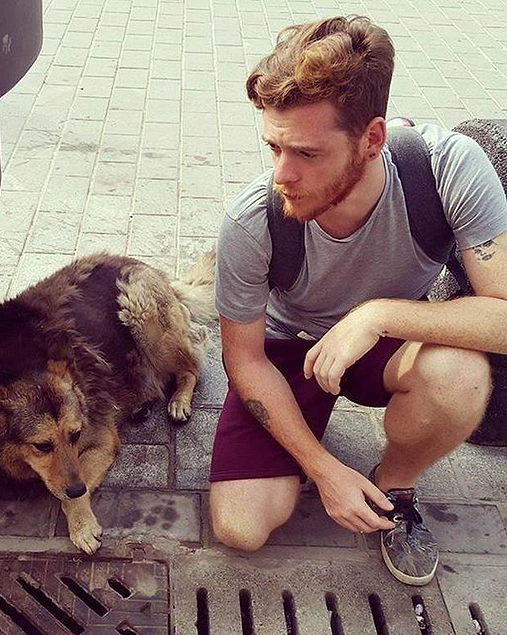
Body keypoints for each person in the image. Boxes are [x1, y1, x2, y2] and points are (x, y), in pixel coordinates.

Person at [210, 15, 507, 586]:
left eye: (306, 154)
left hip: (386, 344)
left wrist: (378, 315)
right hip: (289, 348)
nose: (281, 174)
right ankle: (326, 457)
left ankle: (395, 486)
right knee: (242, 528)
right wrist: (323, 471)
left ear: (372, 140)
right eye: (272, 147)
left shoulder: (444, 169)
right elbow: (244, 360)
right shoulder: (252, 221)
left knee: (460, 377)